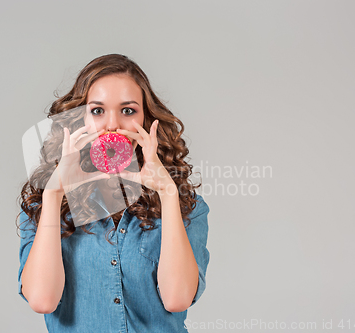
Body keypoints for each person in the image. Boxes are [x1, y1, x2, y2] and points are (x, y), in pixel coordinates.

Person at [16, 54, 210, 332]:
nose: (112, 125)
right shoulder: (45, 205)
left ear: (146, 120)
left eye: (128, 111)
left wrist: (168, 193)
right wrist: (54, 193)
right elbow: (42, 301)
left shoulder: (187, 207)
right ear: (78, 120)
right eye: (97, 111)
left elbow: (177, 299)